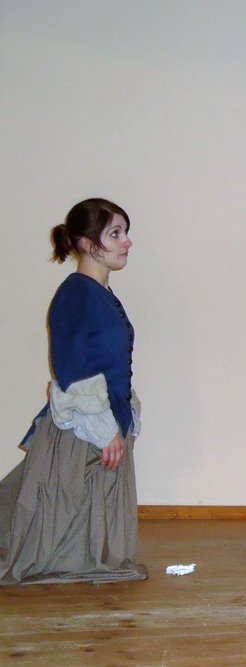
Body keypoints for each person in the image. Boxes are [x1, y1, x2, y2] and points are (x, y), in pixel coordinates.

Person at [0, 198, 147, 584]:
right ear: (86, 243)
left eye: (125, 232)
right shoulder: (77, 294)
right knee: (52, 527)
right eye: (115, 234)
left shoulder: (100, 293)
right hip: (85, 427)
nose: (127, 242)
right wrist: (104, 430)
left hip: (106, 419)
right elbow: (73, 367)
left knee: (78, 528)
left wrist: (123, 418)